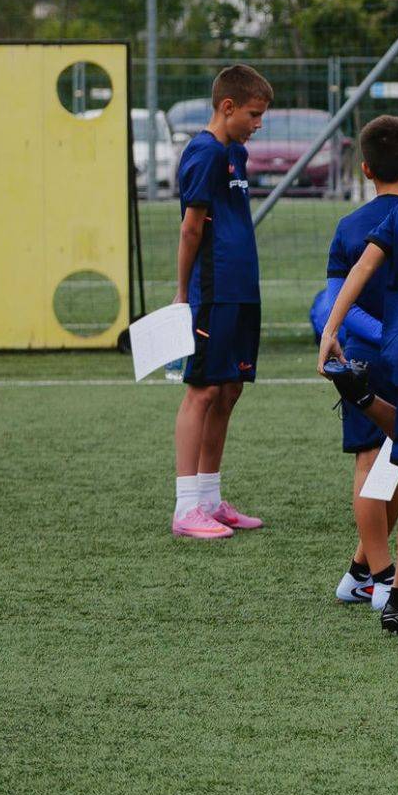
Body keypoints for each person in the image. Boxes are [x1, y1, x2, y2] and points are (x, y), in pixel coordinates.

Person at [171, 63, 273, 541]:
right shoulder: (204, 152)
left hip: (241, 290)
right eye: (253, 114)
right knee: (203, 391)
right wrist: (182, 294)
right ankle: (185, 507)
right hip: (212, 291)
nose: (258, 124)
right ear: (227, 107)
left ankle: (210, 500)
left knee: (230, 389)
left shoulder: (236, 153)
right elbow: (191, 228)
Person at [317, 116, 398, 605]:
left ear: (365, 169)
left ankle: (363, 570)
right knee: (396, 459)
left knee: (375, 459)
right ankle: (382, 576)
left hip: (365, 357)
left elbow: (339, 302)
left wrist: (378, 335)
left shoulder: (349, 226)